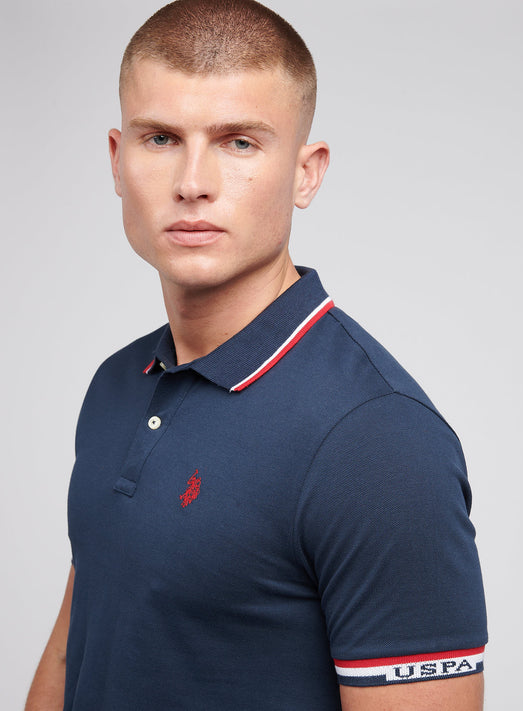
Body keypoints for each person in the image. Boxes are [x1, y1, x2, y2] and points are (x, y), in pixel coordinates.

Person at [25, 1, 487, 709]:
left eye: (238, 142)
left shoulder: (377, 440)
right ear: (117, 160)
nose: (192, 182)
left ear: (306, 173)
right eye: (160, 139)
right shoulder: (117, 383)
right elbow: (74, 644)